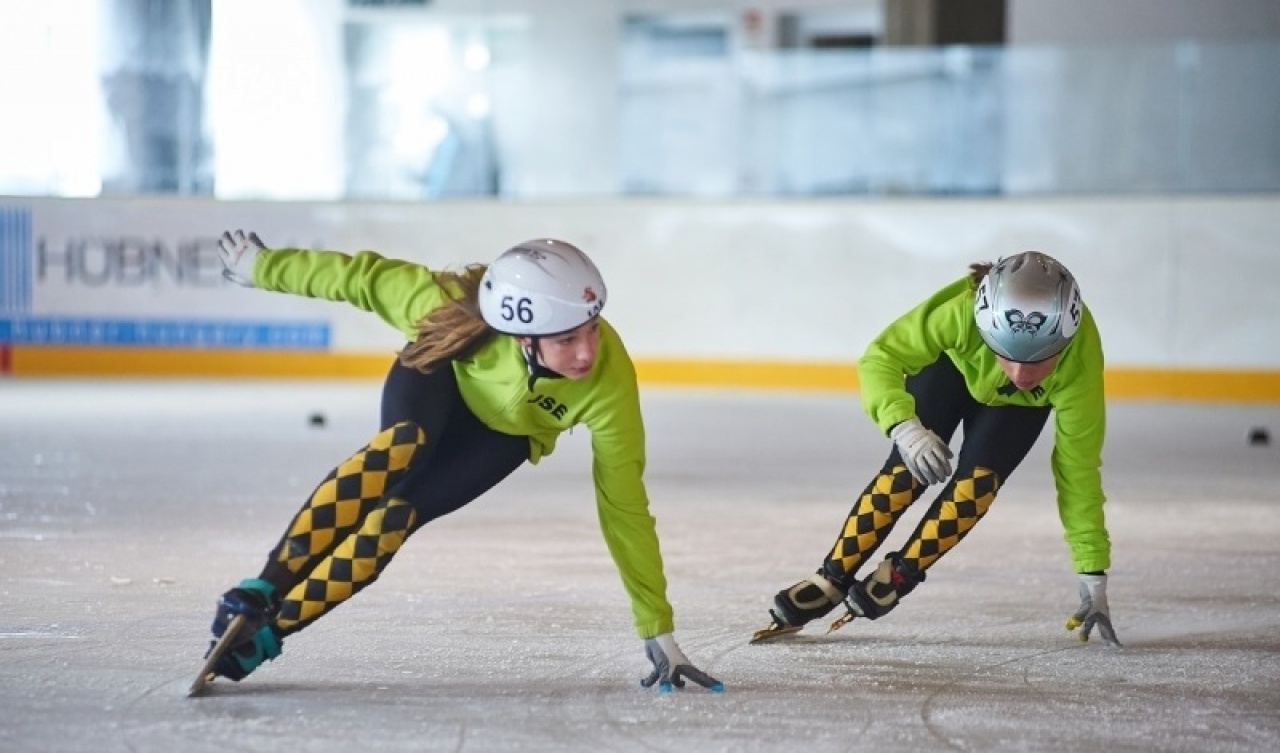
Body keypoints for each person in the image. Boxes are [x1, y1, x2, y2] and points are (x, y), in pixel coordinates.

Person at [204, 230, 724, 692]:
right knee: (401, 446)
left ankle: (270, 633)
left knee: (392, 521)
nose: (588, 352)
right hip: (437, 376)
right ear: (522, 336)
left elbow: (623, 504)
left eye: (591, 327)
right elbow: (357, 277)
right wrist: (260, 267)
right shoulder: (444, 305)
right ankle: (263, 587)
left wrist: (656, 626)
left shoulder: (609, 383)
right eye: (567, 339)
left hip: (504, 437)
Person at [751, 251, 1121, 648]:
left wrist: (1092, 573)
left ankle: (900, 574)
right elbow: (880, 358)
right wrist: (904, 427)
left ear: (1065, 343)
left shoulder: (1080, 361)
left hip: (1015, 411)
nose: (1018, 374)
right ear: (984, 325)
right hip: (951, 369)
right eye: (1005, 352)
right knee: (905, 474)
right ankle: (832, 577)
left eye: (1040, 361)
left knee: (975, 489)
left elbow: (1077, 470)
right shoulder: (960, 313)